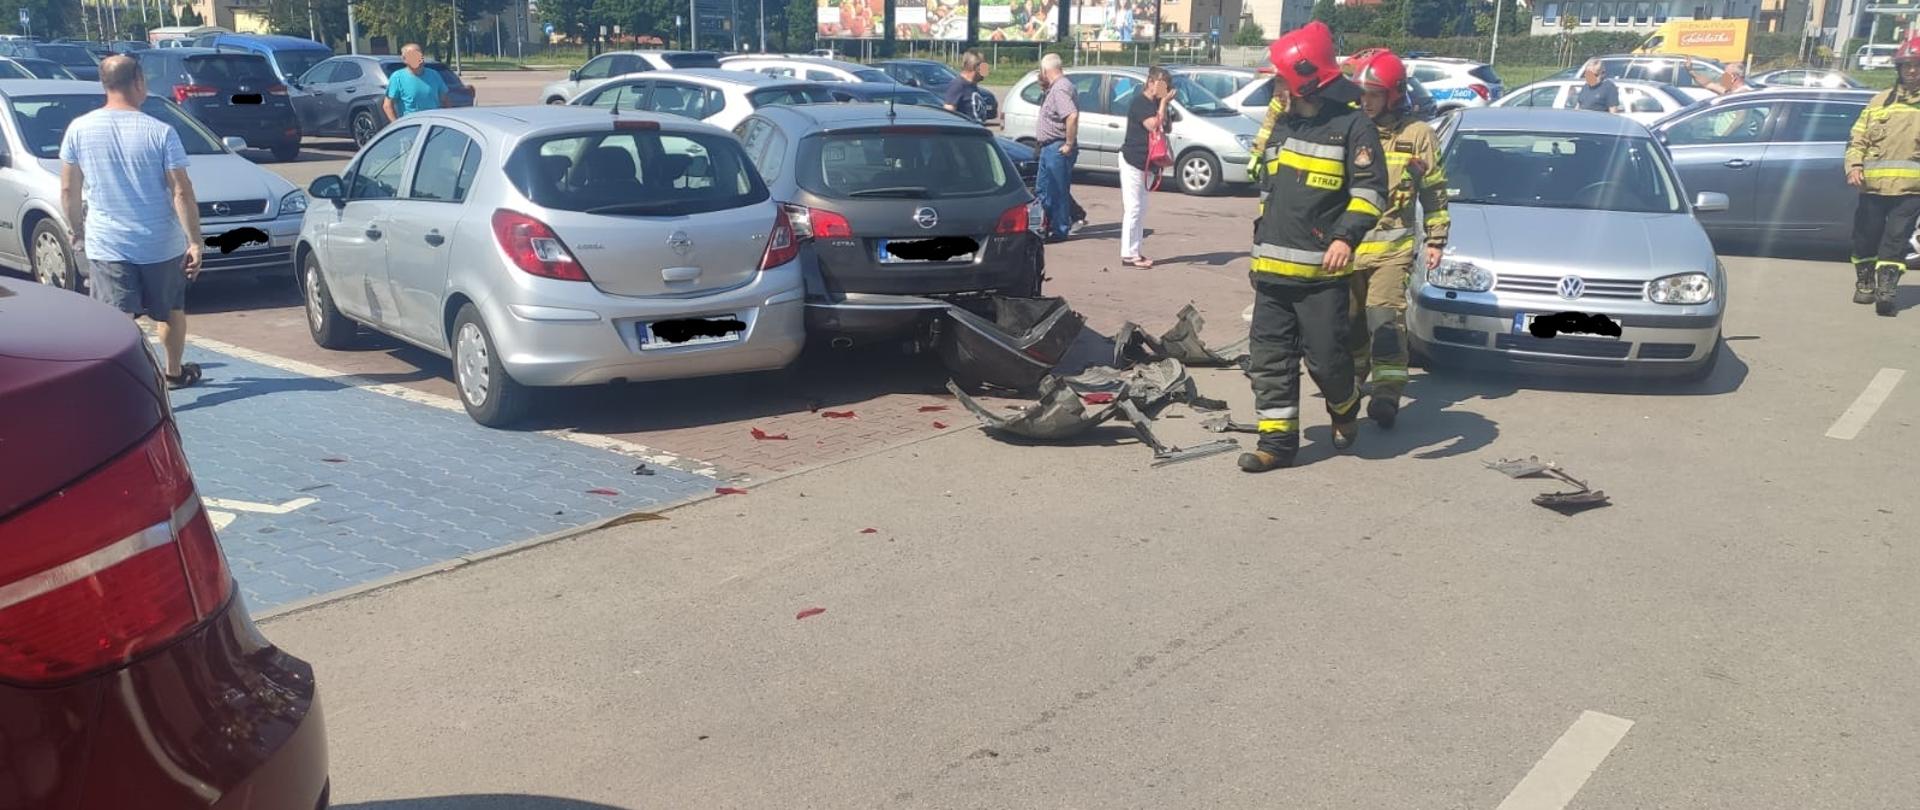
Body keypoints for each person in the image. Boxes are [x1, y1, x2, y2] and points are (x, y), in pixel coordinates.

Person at [1238, 21, 1387, 473]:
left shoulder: (1353, 127)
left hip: (1321, 276)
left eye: (1281, 78)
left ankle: (1344, 408)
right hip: (1272, 273)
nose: (1275, 86)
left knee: (1327, 361)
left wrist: (1345, 236)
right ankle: (1277, 446)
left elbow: (1371, 191)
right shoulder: (1281, 124)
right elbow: (1269, 189)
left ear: (1305, 76)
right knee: (1269, 361)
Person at [59, 54, 205, 389]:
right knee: (170, 311)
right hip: (160, 243)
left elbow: (68, 188)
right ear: (138, 81)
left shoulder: (79, 129)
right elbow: (181, 192)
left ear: (104, 84)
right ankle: (172, 372)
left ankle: (122, 381)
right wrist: (194, 241)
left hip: (107, 242)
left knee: (116, 318)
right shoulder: (160, 132)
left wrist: (77, 231)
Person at [1344, 48, 1448, 429]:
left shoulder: (1417, 135)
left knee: (1384, 320)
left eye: (1374, 94)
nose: (1365, 101)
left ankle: (1387, 394)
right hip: (1349, 248)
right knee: (1350, 322)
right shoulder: (1352, 129)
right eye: (1362, 93)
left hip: (1392, 251)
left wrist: (1436, 239)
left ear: (1394, 94)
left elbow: (1435, 192)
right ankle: (1354, 379)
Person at [1845, 35, 1920, 317]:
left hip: (1910, 190)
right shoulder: (1879, 101)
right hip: (1872, 187)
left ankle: (1887, 289)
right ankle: (1865, 282)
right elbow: (1858, 138)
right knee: (1865, 237)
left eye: (1917, 66)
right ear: (1898, 68)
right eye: (1907, 65)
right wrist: (1853, 166)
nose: (1912, 71)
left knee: (1896, 239)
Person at [1118, 67, 1172, 268]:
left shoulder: (1156, 103)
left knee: (1141, 209)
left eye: (1167, 84)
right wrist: (1164, 103)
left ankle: (1135, 251)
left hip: (1147, 163)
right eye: (1163, 83)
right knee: (1133, 208)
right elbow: (1153, 125)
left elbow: (1166, 126)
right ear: (1151, 82)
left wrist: (1165, 104)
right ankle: (1129, 254)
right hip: (1132, 160)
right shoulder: (1140, 102)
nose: (1165, 88)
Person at [1034, 53, 1080, 243]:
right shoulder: (1056, 87)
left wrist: (1068, 143)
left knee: (1057, 190)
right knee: (1043, 188)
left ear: (1046, 70)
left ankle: (1060, 229)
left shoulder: (1060, 88)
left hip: (1057, 147)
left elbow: (1072, 115)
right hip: (1048, 147)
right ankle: (1047, 224)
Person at [383, 43, 450, 122]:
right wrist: (397, 125)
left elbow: (445, 101)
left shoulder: (434, 75)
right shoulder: (397, 77)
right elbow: (387, 106)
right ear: (404, 59)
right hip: (411, 127)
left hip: (433, 125)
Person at [944, 49, 991, 122]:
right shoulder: (958, 85)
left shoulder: (972, 86)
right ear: (976, 68)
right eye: (984, 67)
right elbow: (948, 113)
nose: (986, 71)